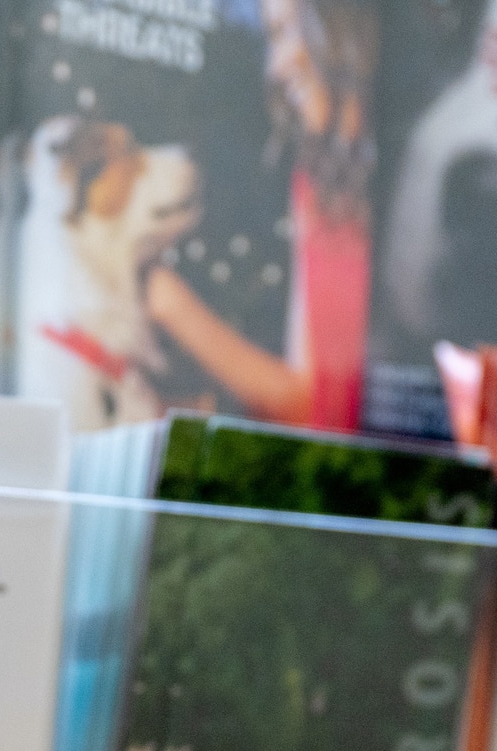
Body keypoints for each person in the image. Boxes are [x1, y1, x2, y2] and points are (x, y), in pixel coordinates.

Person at [141, 0, 375, 429]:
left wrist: (168, 302)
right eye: (272, 37)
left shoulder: (354, 191)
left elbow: (314, 411)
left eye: (289, 30)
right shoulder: (318, 182)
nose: (279, 66)